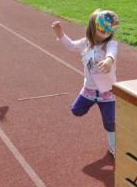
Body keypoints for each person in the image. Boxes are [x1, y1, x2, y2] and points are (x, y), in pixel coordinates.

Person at [51, 9, 119, 156]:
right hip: (88, 90)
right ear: (92, 28)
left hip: (107, 93)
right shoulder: (85, 44)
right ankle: (99, 108)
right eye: (101, 31)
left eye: (108, 32)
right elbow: (70, 46)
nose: (104, 35)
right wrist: (60, 34)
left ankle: (113, 145)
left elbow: (111, 53)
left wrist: (109, 60)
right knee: (76, 110)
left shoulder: (110, 44)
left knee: (110, 123)